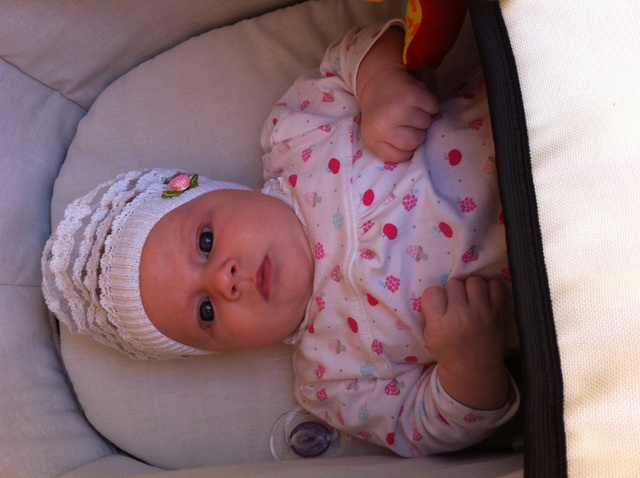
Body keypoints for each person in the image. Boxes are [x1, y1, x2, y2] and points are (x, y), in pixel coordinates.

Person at [42, 20, 519, 457]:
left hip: (528, 116)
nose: (225, 281)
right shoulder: (332, 380)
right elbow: (423, 428)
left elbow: (353, 52)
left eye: (205, 243)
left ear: (219, 190)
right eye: (206, 312)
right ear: (223, 351)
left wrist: (380, 86)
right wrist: (468, 365)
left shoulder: (296, 136)